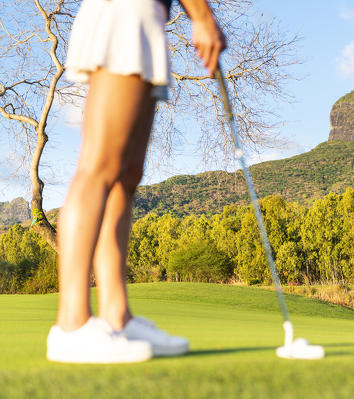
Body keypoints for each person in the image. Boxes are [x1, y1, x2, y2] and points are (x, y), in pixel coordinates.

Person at [46, 0, 226, 363]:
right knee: (99, 167)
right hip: (123, 11)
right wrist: (203, 17)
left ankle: (117, 317)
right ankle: (71, 324)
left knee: (126, 176)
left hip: (147, 18)